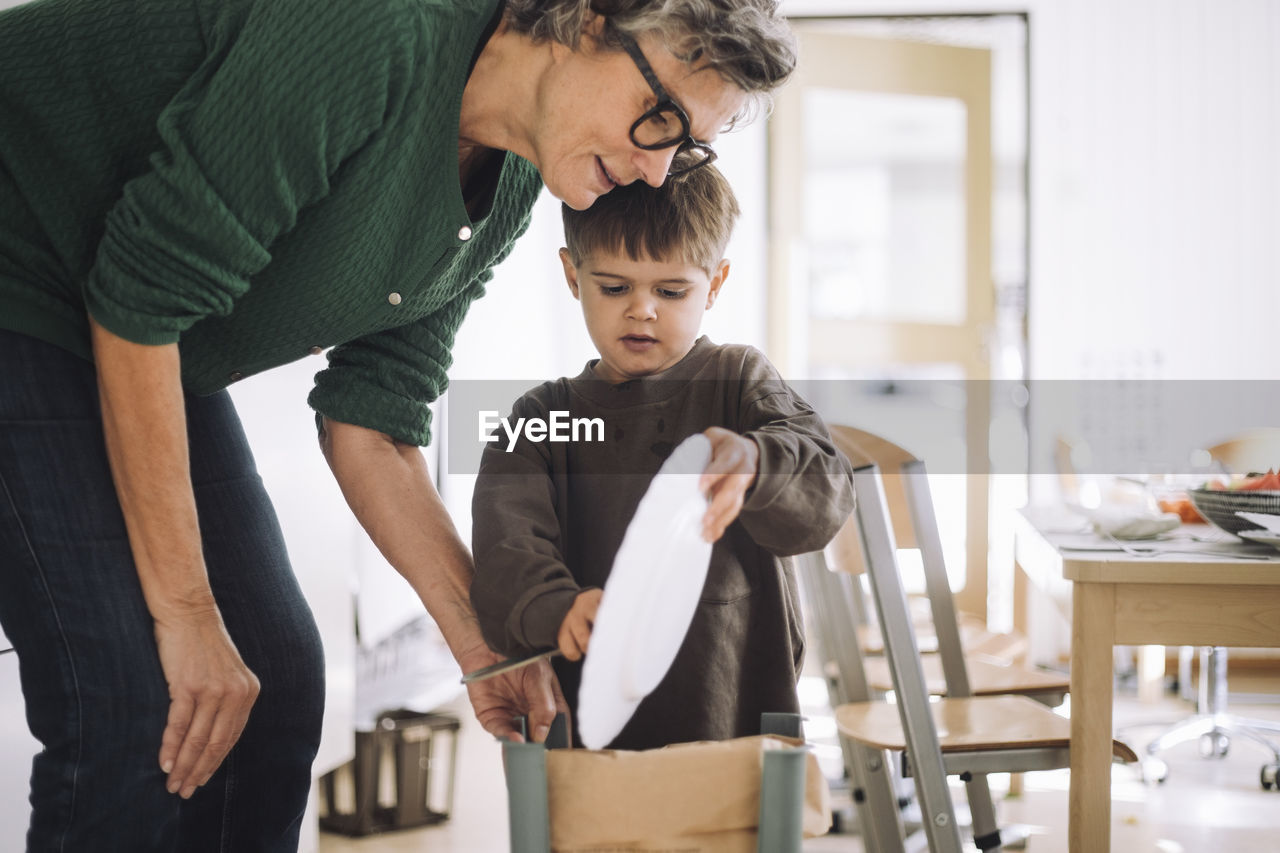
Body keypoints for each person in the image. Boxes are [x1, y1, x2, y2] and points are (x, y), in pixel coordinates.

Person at [0, 0, 797, 848]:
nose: (655, 170)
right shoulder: (376, 29)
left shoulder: (513, 179)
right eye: (661, 119)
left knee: (281, 679)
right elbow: (144, 292)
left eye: (687, 148)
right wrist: (189, 612)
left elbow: (373, 416)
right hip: (33, 268)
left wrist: (486, 645)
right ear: (583, 19)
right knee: (133, 695)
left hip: (126, 318)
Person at [470, 165, 854, 750]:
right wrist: (554, 606)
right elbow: (505, 547)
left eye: (671, 292)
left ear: (716, 283)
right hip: (587, 727)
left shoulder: (740, 380)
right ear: (573, 276)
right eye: (614, 287)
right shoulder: (540, 417)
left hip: (739, 710)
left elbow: (826, 490)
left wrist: (758, 462)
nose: (642, 310)